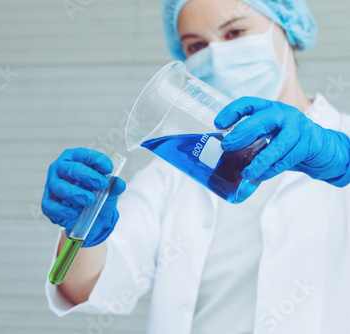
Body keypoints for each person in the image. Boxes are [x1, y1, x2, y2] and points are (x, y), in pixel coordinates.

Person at [42, 0, 350, 333]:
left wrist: (343, 161)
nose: (217, 56)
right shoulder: (171, 173)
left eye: (235, 31)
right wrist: (82, 232)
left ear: (287, 28)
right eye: (197, 45)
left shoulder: (338, 148)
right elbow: (95, 286)